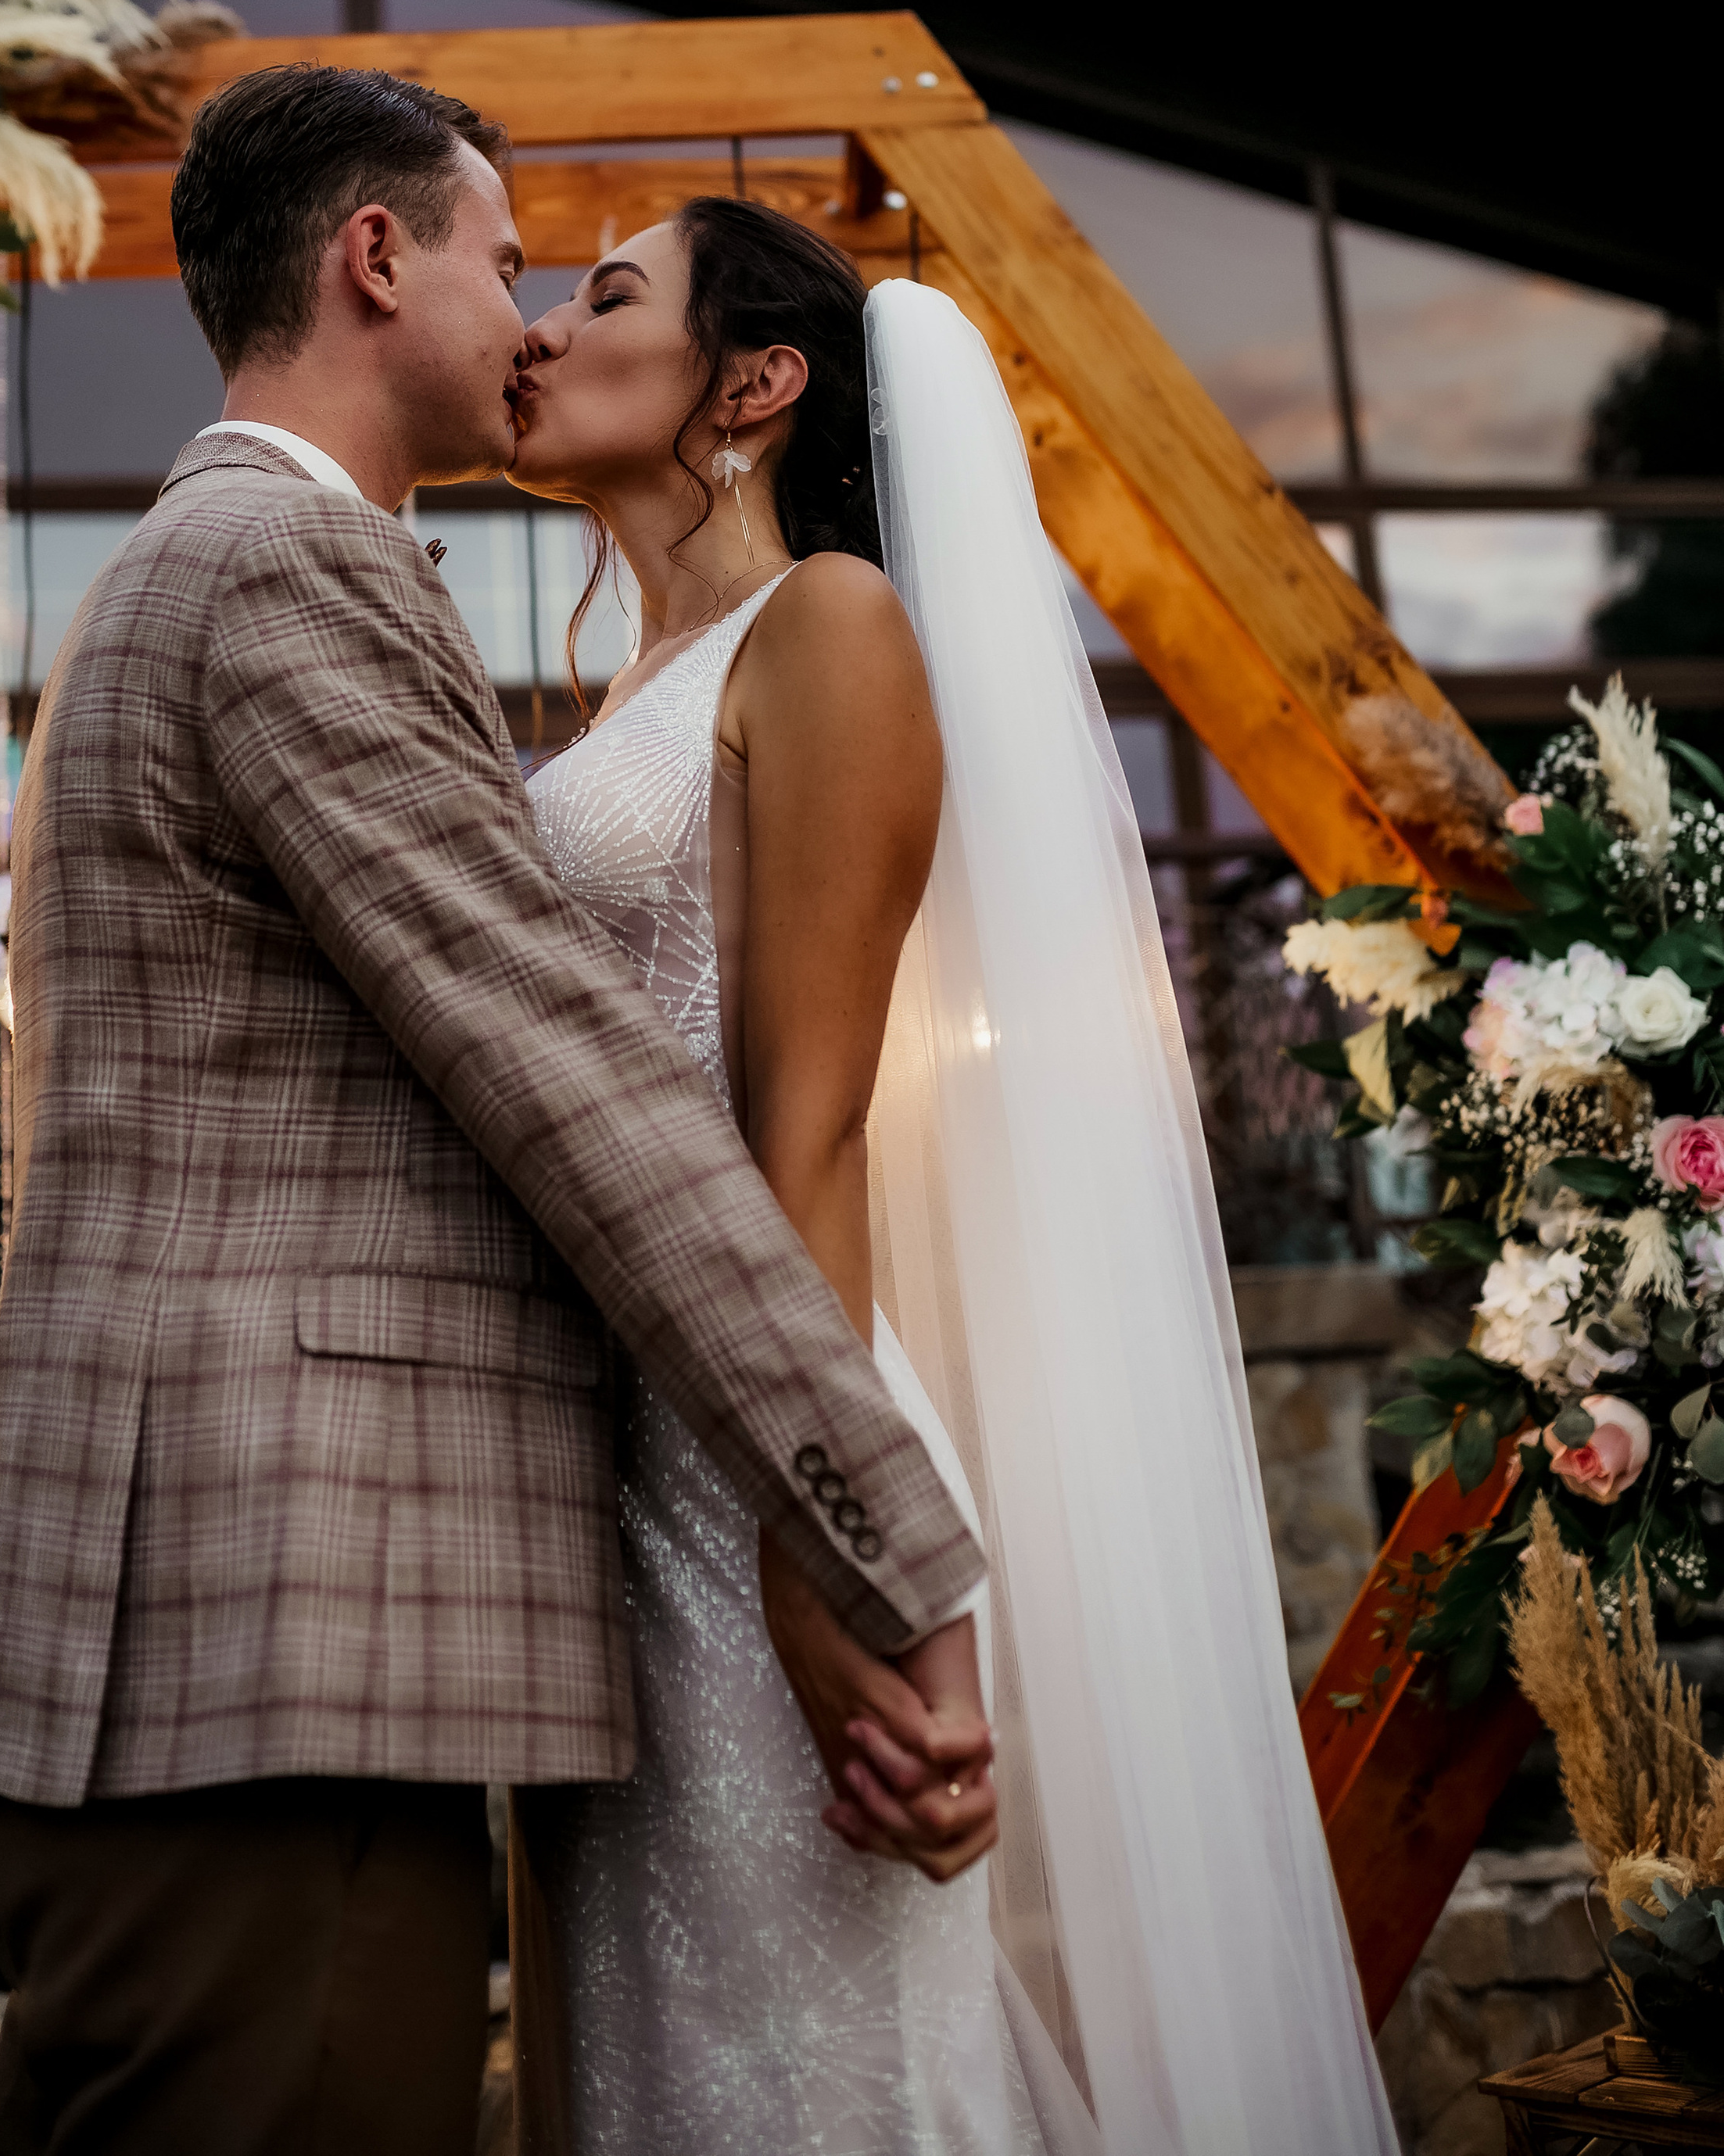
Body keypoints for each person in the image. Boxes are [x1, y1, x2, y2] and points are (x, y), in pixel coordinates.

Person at [0, 65, 994, 2156]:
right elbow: (571, 1077)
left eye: (584, 289)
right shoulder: (280, 575)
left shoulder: (242, 568)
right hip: (274, 1626)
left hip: (319, 1619)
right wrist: (893, 1549)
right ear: (372, 257)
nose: (530, 319)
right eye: (515, 264)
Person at [508, 205, 1401, 2154]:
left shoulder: (823, 625)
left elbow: (807, 1122)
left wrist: (812, 1531)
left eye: (602, 297)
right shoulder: (636, 680)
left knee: (807, 2072)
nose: (540, 328)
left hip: (758, 1454)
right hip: (621, 1470)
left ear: (750, 387)